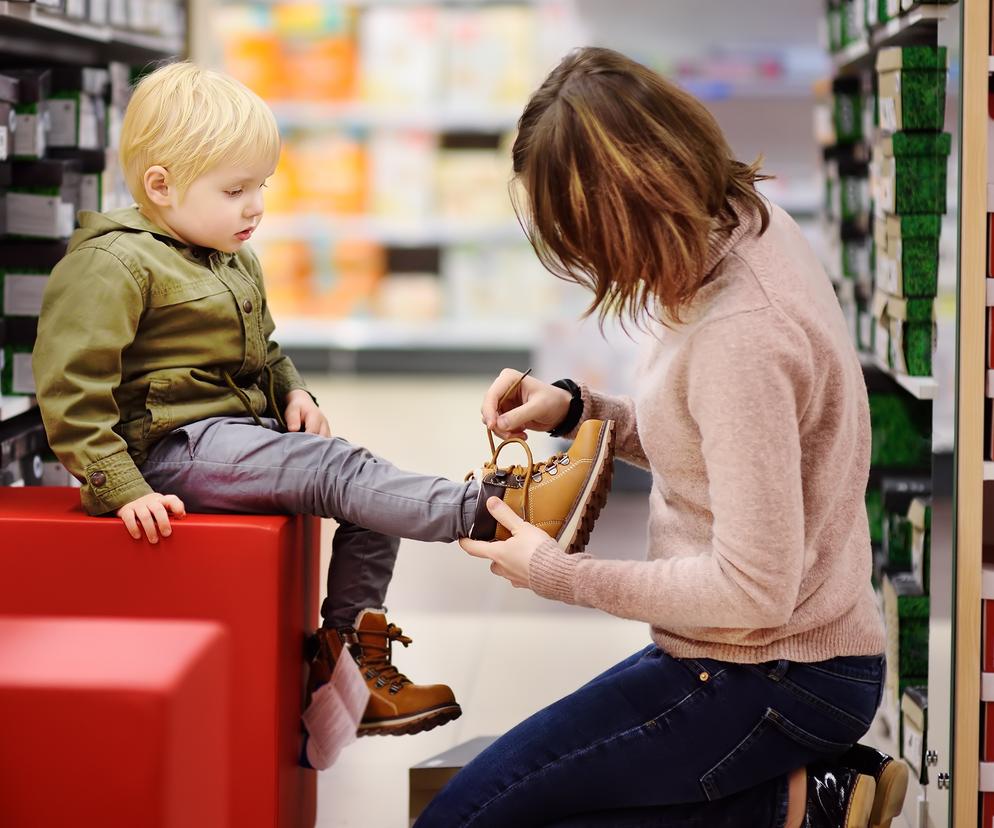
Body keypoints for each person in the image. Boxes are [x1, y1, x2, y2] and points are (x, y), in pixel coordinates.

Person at [30, 61, 617, 761]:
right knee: (340, 469)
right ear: (160, 186)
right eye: (235, 190)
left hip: (232, 434)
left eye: (262, 189)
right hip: (168, 450)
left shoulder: (228, 256)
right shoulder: (112, 265)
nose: (256, 208)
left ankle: (352, 664)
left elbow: (266, 350)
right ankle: (493, 508)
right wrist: (118, 485)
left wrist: (295, 393)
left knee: (370, 492)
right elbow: (68, 386)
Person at [415, 47, 899, 828]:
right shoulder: (739, 224)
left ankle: (796, 805)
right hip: (762, 652)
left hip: (775, 672)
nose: (591, 264)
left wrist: (556, 573)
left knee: (466, 820)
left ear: (631, 207)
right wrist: (579, 410)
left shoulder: (741, 332)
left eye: (586, 237)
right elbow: (715, 445)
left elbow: (752, 590)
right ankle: (804, 800)